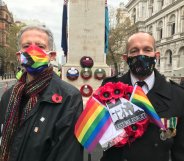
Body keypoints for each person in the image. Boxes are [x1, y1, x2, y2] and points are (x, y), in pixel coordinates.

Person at [0, 25, 83, 161]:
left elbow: (67, 153)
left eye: (40, 46)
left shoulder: (69, 97)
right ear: (19, 56)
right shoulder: (8, 96)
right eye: (26, 46)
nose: (33, 50)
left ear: (52, 56)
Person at [100, 32, 184, 161]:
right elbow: (100, 132)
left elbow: (180, 150)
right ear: (125, 58)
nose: (141, 54)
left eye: (147, 49)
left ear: (156, 56)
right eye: (134, 51)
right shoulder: (109, 89)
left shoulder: (177, 94)